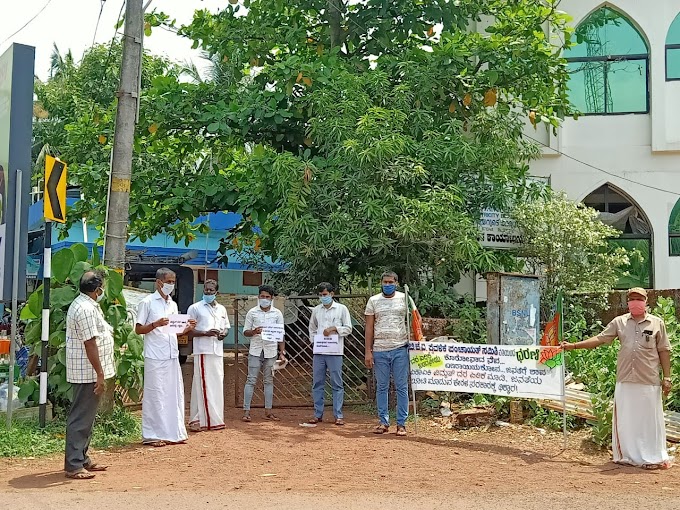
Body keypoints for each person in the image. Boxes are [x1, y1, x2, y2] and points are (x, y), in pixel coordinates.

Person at [562, 287, 673, 470]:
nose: (635, 302)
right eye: (632, 299)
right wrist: (573, 346)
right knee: (626, 420)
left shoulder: (656, 323)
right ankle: (628, 456)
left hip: (649, 379)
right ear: (627, 302)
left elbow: (664, 350)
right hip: (626, 379)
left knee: (649, 421)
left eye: (639, 299)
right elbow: (599, 339)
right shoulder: (619, 322)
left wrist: (667, 377)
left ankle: (652, 457)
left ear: (646, 302)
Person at [135, 268, 196, 447]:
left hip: (171, 353)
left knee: (171, 393)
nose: (171, 285)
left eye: (173, 281)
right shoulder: (147, 302)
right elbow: (139, 329)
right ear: (159, 282)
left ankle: (173, 432)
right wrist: (155, 324)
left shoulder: (172, 304)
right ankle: (152, 434)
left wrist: (187, 328)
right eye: (169, 281)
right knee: (155, 394)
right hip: (154, 355)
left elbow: (173, 332)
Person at [64, 271, 115, 479]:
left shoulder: (86, 305)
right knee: (80, 418)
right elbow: (90, 342)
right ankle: (74, 464)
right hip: (87, 372)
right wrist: (100, 374)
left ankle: (82, 458)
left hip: (88, 370)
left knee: (87, 417)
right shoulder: (85, 309)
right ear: (97, 289)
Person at [364, 271, 417, 437]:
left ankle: (401, 424)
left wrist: (415, 341)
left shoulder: (405, 298)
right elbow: (369, 327)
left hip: (400, 348)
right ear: (381, 283)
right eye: (384, 282)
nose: (387, 285)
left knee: (401, 386)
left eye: (390, 282)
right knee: (382, 387)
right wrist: (368, 351)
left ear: (396, 283)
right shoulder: (373, 301)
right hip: (380, 349)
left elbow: (416, 320)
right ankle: (383, 421)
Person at [306, 282, 353, 426]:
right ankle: (317, 414)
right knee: (317, 383)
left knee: (336, 383)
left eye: (325, 294)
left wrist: (334, 329)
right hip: (319, 351)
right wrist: (315, 341)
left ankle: (338, 415)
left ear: (332, 294)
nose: (322, 297)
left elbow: (348, 328)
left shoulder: (341, 309)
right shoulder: (316, 310)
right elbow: (312, 328)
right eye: (320, 295)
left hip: (335, 351)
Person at [187, 279, 230, 432]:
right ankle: (206, 420)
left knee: (217, 383)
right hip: (203, 349)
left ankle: (212, 417)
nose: (209, 292)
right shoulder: (195, 308)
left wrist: (223, 334)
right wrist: (206, 333)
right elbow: (189, 331)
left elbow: (226, 327)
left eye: (212, 290)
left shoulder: (222, 309)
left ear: (216, 292)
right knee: (203, 383)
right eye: (206, 290)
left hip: (217, 350)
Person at [242, 284, 286, 422]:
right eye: (262, 296)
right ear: (258, 297)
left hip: (271, 351)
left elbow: (281, 334)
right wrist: (254, 331)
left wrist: (282, 352)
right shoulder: (252, 312)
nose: (264, 299)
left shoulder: (277, 313)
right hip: (255, 350)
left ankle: (268, 411)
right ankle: (246, 411)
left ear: (272, 298)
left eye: (267, 297)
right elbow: (245, 332)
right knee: (251, 380)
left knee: (269, 381)